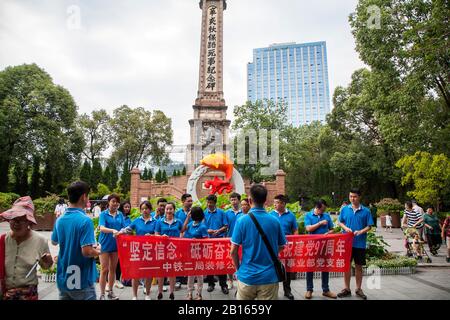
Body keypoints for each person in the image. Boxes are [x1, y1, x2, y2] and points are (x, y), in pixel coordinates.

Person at [230, 184, 287, 300]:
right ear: (265, 200)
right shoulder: (275, 221)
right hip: (269, 278)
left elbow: (233, 251)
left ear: (250, 200)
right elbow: (281, 246)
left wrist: (238, 269)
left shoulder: (242, 221)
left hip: (247, 276)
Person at [51, 181, 100, 300]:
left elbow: (54, 242)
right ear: (84, 196)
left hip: (64, 277)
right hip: (81, 279)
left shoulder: (60, 219)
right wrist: (98, 251)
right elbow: (87, 251)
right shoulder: (85, 220)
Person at [0, 196, 53, 300]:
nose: (16, 223)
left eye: (22, 220)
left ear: (29, 222)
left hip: (28, 295)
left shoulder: (40, 240)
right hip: (5, 294)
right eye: (13, 219)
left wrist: (48, 262)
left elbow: (46, 266)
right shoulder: (3, 240)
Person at [337, 189, 374, 300]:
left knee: (358, 267)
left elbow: (369, 226)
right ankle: (347, 289)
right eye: (350, 196)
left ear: (359, 197)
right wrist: (345, 228)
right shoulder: (344, 209)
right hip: (347, 243)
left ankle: (358, 289)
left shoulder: (366, 211)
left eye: (355, 196)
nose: (352, 198)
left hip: (360, 243)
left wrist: (361, 231)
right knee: (346, 266)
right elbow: (340, 221)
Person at [120, 201, 157, 300]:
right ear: (140, 210)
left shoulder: (155, 221)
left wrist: (152, 236)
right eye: (142, 209)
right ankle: (134, 295)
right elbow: (128, 230)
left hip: (150, 251)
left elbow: (158, 235)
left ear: (150, 209)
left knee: (148, 274)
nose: (144, 210)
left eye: (146, 208)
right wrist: (119, 233)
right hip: (137, 250)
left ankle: (147, 294)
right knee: (135, 273)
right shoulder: (137, 221)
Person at [303, 199, 337, 299]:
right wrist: (320, 223)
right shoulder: (308, 215)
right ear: (317, 208)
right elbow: (308, 228)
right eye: (322, 210)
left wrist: (328, 233)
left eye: (324, 209)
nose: (323, 211)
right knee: (310, 267)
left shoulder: (327, 216)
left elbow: (332, 229)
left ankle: (326, 290)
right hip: (312, 246)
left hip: (325, 245)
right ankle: (309, 289)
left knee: (325, 267)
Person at [269, 194, 298, 300]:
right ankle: (273, 290)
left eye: (277, 202)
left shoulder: (291, 215)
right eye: (275, 202)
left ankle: (287, 290)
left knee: (287, 269)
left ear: (283, 203)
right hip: (274, 246)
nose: (275, 204)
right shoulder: (270, 215)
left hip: (287, 246)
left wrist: (295, 241)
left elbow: (295, 230)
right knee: (273, 268)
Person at [98, 194, 126, 300]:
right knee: (104, 269)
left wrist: (122, 231)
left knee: (112, 269)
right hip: (104, 244)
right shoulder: (103, 214)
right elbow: (102, 228)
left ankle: (110, 291)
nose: (115, 203)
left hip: (115, 245)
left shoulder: (120, 215)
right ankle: (102, 294)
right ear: (108, 202)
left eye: (117, 202)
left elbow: (123, 227)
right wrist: (113, 230)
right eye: (113, 201)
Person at [155, 202, 183, 300]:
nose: (169, 211)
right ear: (165, 210)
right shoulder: (159, 221)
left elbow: (183, 231)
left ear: (174, 210)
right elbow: (156, 234)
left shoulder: (178, 221)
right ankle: (160, 292)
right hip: (162, 249)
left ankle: (172, 292)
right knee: (161, 271)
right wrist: (161, 236)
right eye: (167, 209)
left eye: (171, 209)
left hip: (174, 250)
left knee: (172, 271)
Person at [181, 206, 208, 300]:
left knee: (199, 275)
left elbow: (206, 241)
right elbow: (182, 229)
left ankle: (199, 293)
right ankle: (189, 293)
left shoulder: (203, 226)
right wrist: (187, 218)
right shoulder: (190, 224)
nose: (190, 214)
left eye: (191, 213)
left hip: (199, 254)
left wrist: (197, 240)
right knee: (190, 274)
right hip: (190, 253)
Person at [204, 194, 229, 294]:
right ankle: (211, 284)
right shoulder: (204, 213)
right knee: (209, 264)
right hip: (208, 242)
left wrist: (219, 231)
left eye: (211, 203)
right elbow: (201, 226)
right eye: (208, 203)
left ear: (215, 203)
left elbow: (226, 225)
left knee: (221, 264)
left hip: (219, 242)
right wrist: (207, 230)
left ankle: (223, 285)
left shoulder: (222, 213)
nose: (209, 204)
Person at [174, 193, 193, 288]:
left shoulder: (194, 212)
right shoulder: (177, 213)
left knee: (190, 260)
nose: (190, 203)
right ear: (183, 202)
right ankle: (178, 280)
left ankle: (188, 280)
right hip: (180, 240)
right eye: (188, 201)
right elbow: (178, 228)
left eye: (191, 201)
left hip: (192, 240)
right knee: (179, 260)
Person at [225, 192, 242, 289]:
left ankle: (240, 280)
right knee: (229, 261)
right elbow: (225, 226)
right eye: (231, 200)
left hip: (242, 241)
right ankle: (230, 281)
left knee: (241, 260)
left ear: (239, 200)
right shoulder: (227, 213)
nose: (233, 201)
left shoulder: (243, 213)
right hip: (230, 239)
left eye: (235, 199)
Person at [115, 200, 132, 290]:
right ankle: (116, 279)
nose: (127, 208)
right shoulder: (118, 217)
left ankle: (123, 279)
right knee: (117, 260)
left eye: (128, 207)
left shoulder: (129, 219)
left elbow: (130, 230)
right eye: (125, 207)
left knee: (123, 260)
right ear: (122, 207)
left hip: (126, 243)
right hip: (118, 241)